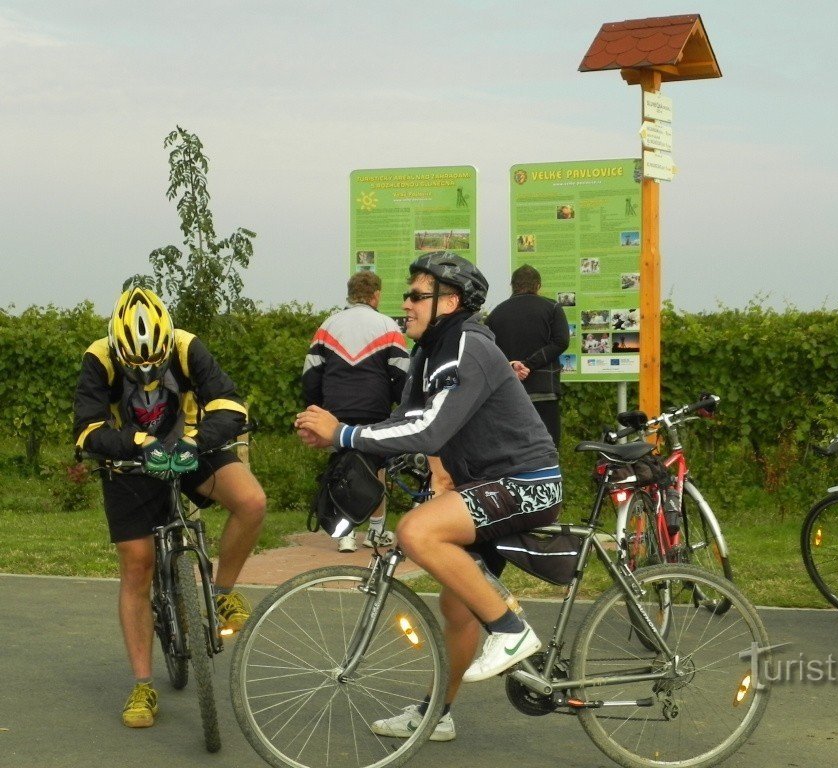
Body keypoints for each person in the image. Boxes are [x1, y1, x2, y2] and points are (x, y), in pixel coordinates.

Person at [295, 251, 562, 742]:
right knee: (457, 608)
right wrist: (343, 435)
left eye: (417, 295)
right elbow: (403, 421)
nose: (406, 304)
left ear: (451, 301)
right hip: (486, 486)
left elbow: (432, 428)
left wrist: (344, 434)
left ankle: (510, 630)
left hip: (527, 481)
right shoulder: (429, 352)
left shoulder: (469, 345)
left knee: (415, 530)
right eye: (406, 295)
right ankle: (437, 713)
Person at [73, 287, 266, 729]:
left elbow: (228, 404)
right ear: (116, 345)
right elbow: (87, 430)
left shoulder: (186, 344)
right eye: (134, 365)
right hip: (129, 461)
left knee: (252, 501)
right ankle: (143, 684)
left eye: (154, 363)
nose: (146, 373)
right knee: (137, 565)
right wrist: (139, 442)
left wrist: (194, 442)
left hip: (190, 447)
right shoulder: (98, 357)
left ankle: (220, 596)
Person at [302, 271, 409, 552]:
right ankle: (375, 532)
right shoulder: (388, 326)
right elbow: (401, 373)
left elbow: (311, 373)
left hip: (335, 410)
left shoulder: (328, 326)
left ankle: (344, 533)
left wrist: (315, 409)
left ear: (350, 295)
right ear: (376, 295)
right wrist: (403, 409)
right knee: (376, 469)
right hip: (375, 409)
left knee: (342, 467)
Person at [484, 264, 570, 445]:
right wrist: (529, 364)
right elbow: (561, 342)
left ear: (512, 286)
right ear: (538, 286)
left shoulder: (496, 313)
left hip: (509, 393)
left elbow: (489, 350)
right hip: (544, 390)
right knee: (547, 446)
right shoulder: (552, 308)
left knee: (513, 447)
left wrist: (514, 366)